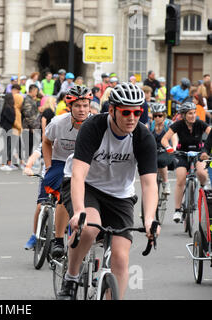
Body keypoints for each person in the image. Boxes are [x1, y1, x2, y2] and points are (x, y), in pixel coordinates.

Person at [59, 82, 159, 300]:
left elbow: (150, 183)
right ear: (112, 110)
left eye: (137, 112)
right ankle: (72, 276)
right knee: (89, 228)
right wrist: (78, 212)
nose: (132, 117)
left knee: (121, 258)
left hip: (120, 195)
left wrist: (150, 219)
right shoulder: (93, 127)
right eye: (125, 112)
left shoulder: (143, 137)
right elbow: (78, 175)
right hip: (87, 186)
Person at [32, 86, 92, 255]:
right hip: (60, 161)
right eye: (78, 106)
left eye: (85, 105)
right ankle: (58, 239)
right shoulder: (58, 122)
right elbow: (46, 142)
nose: (82, 110)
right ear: (70, 107)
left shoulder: (95, 123)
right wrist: (49, 166)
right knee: (65, 195)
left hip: (84, 162)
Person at [161, 101, 211, 223]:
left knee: (202, 174)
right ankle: (178, 210)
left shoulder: (200, 123)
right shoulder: (178, 124)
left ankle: (204, 187)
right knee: (180, 179)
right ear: (184, 115)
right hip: (182, 154)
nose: (193, 115)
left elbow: (211, 135)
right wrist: (169, 148)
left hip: (199, 154)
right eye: (190, 113)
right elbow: (164, 139)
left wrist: (206, 151)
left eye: (194, 113)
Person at [148, 102, 175, 195]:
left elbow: (174, 137)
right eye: (155, 116)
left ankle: (166, 183)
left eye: (160, 115)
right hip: (154, 150)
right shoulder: (150, 124)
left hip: (167, 150)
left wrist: (173, 147)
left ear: (164, 115)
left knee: (161, 162)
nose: (157, 118)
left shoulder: (169, 124)